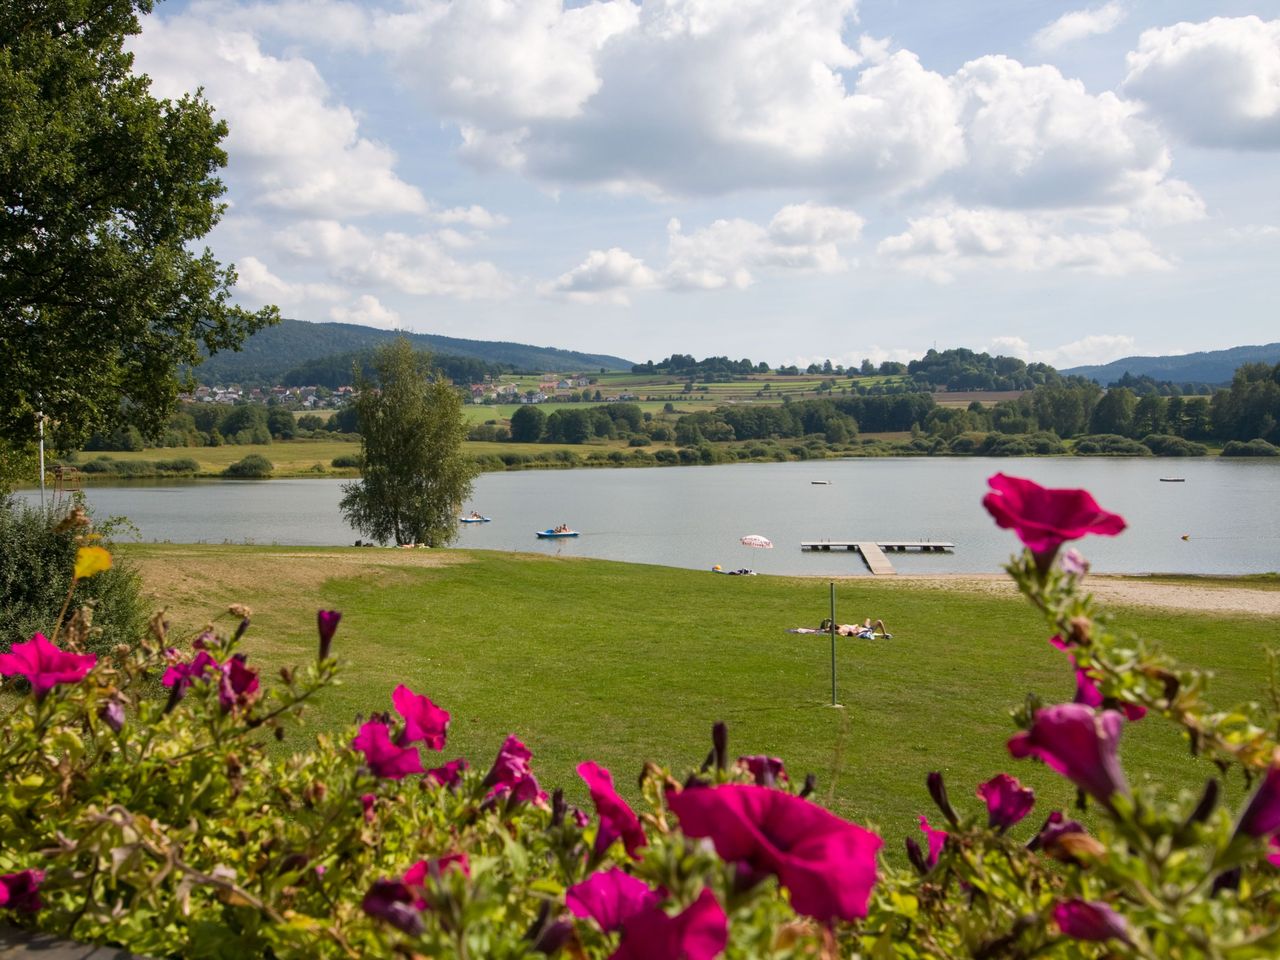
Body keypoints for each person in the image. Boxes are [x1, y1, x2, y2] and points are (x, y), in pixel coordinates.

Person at [818, 617, 889, 639]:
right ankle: (884, 635)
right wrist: (854, 628)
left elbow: (825, 630)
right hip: (867, 630)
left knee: (868, 619)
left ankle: (884, 634)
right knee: (879, 621)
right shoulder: (841, 629)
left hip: (863, 628)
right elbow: (824, 630)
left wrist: (854, 627)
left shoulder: (842, 627)